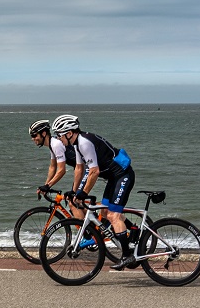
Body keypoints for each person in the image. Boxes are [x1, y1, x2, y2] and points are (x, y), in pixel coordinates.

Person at [50, 114, 138, 270]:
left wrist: (83, 193)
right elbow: (79, 168)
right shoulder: (77, 144)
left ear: (69, 133)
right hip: (113, 178)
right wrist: (74, 191)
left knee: (113, 216)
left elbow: (94, 171)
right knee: (104, 213)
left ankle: (127, 255)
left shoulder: (84, 143)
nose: (58, 139)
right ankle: (133, 229)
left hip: (123, 175)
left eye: (59, 135)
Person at [29, 119, 87, 197]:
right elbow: (53, 167)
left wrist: (48, 186)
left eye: (34, 136)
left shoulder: (56, 144)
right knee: (73, 199)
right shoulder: (52, 144)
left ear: (43, 133)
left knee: (75, 199)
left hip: (86, 168)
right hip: (80, 168)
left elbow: (62, 170)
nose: (32, 139)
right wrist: (46, 185)